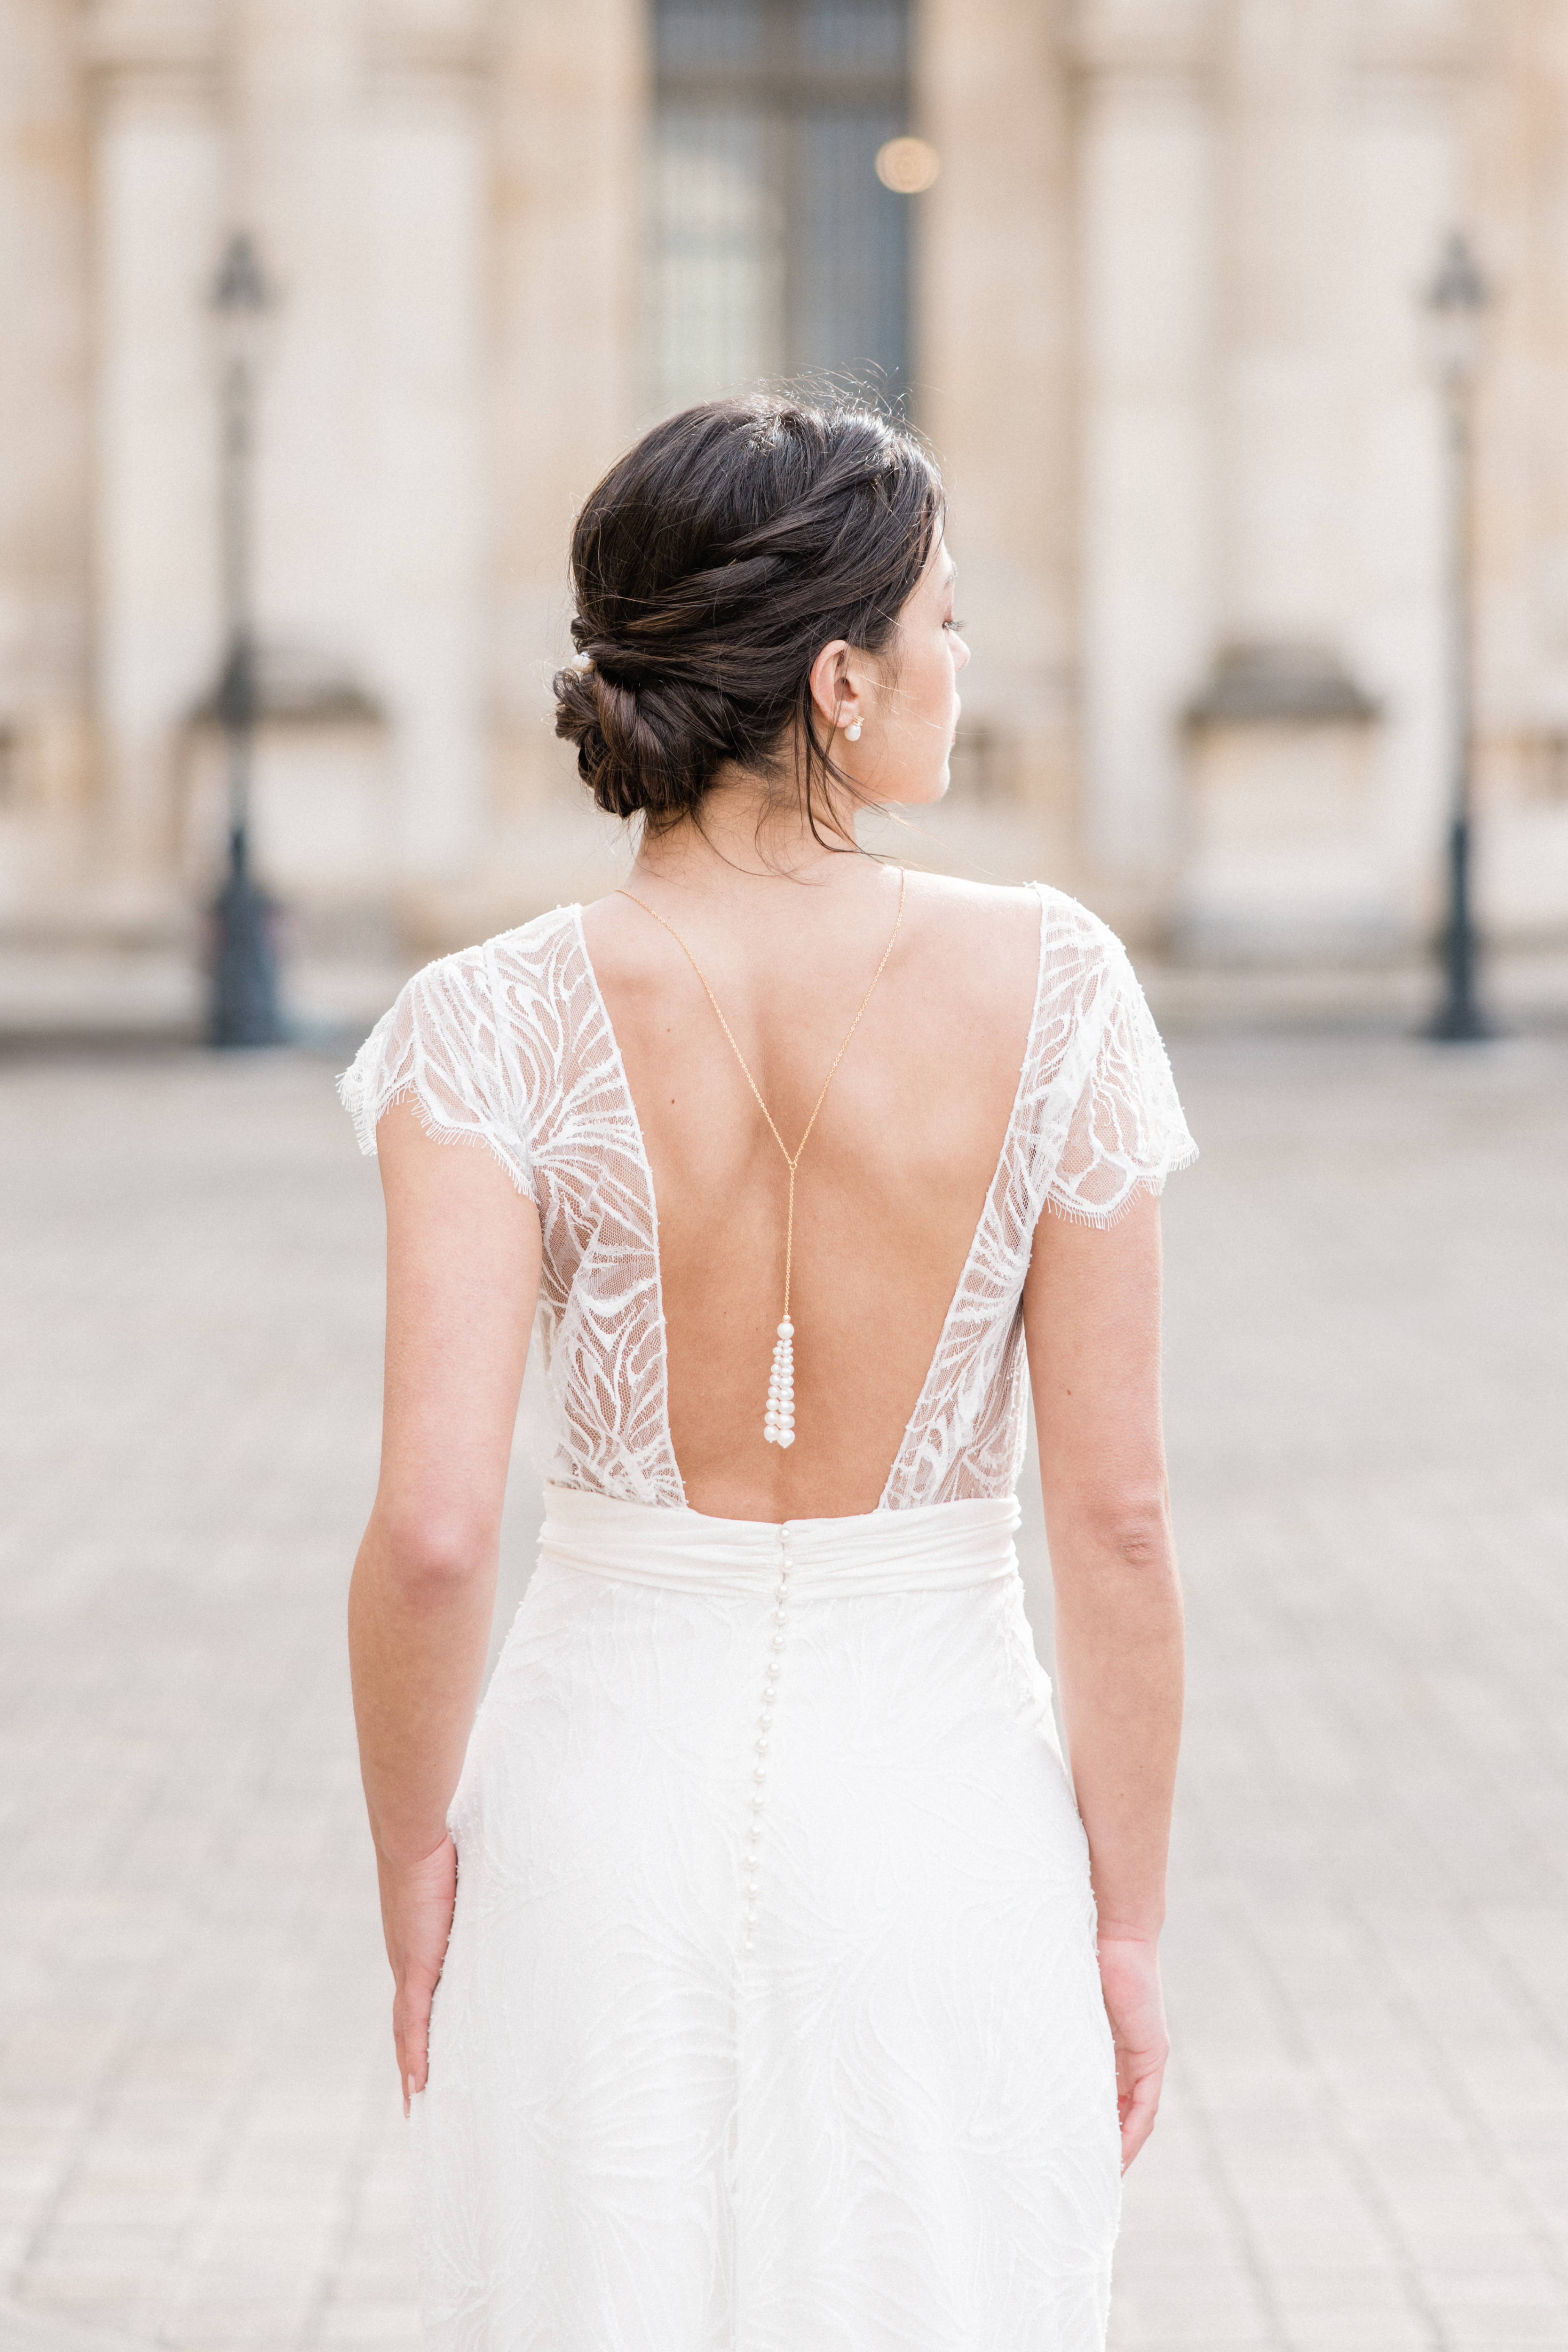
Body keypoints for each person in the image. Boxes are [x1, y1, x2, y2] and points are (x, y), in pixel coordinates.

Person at [340, 392, 1194, 2351]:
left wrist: (412, 1855)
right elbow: (1121, 1524)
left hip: (590, 1810)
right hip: (943, 1808)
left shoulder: (482, 1025)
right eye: (942, 621)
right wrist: (1124, 1921)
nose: (958, 664)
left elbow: (437, 1527)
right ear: (834, 677)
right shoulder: (1057, 987)